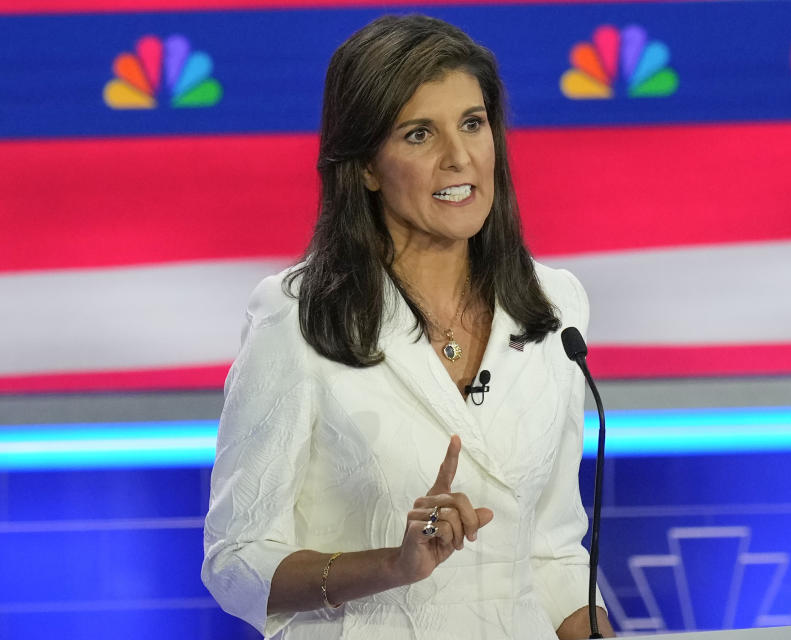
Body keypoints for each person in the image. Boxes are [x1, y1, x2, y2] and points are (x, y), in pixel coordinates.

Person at [201, 14, 614, 640]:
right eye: (419, 134)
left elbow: (553, 553)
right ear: (366, 165)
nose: (460, 157)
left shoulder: (554, 305)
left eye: (473, 124)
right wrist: (392, 566)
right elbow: (235, 564)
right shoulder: (298, 315)